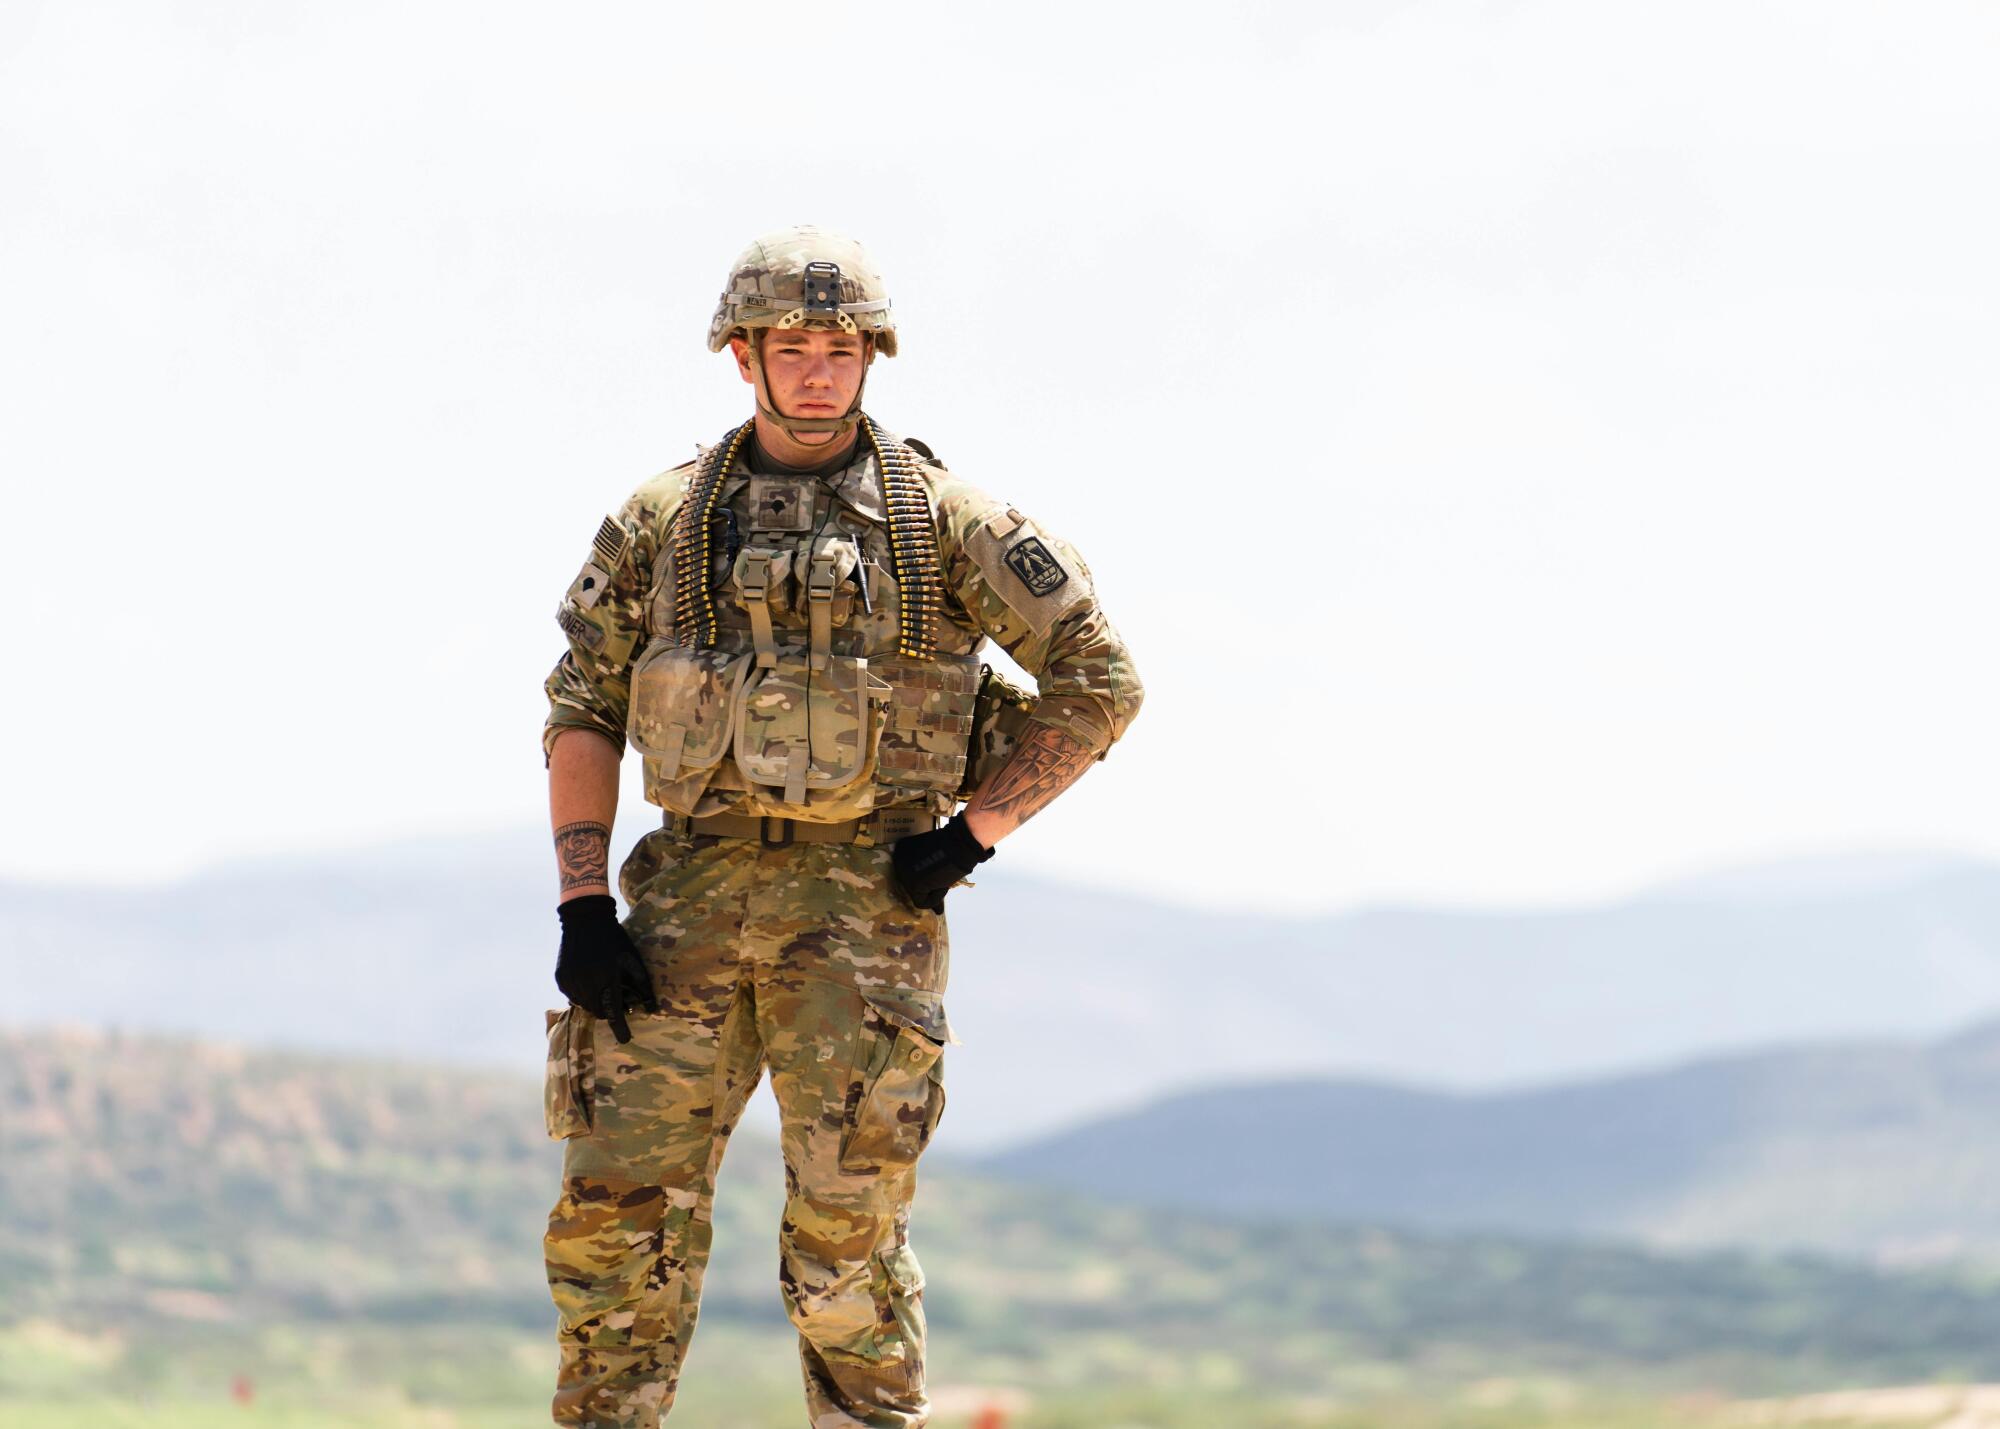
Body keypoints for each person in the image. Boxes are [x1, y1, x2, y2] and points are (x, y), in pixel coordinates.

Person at [538, 225, 1143, 1428]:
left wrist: (974, 834)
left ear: (873, 356)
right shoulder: (664, 520)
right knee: (615, 1242)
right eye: (792, 346)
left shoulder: (944, 523)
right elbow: (583, 703)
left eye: (840, 347)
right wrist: (582, 901)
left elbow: (1099, 679)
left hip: (865, 918)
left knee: (843, 1253)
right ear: (743, 355)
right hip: (678, 916)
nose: (818, 370)